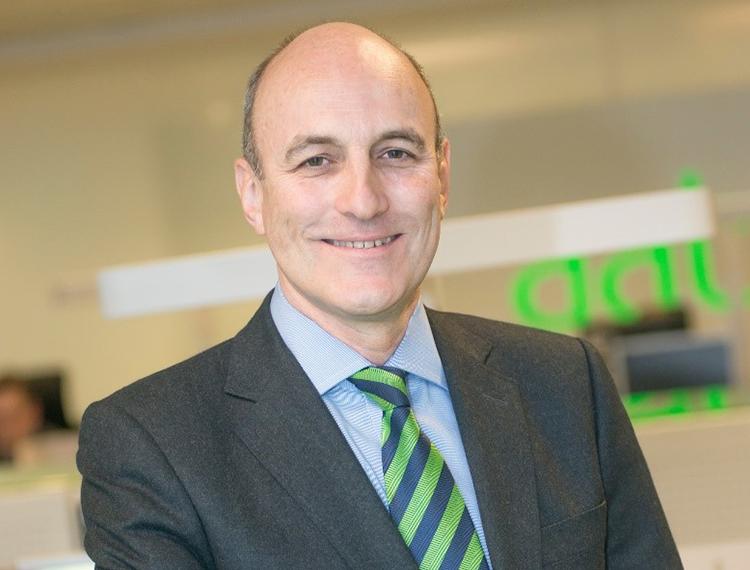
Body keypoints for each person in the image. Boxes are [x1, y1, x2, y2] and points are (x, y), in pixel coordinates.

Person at [77, 22, 683, 569]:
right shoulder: (151, 445)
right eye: (317, 160)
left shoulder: (565, 385)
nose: (364, 201)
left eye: (396, 153)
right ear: (253, 194)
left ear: (441, 175)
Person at [0, 374, 44, 463]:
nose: (8, 428)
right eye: (2, 420)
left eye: (14, 418)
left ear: (34, 413)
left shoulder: (64, 450)